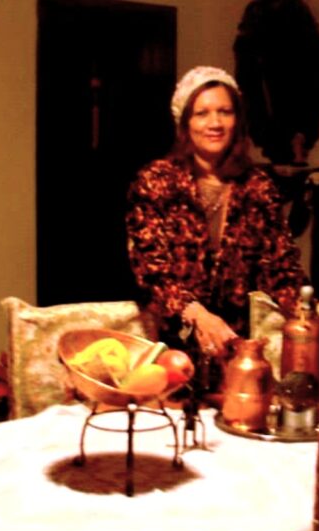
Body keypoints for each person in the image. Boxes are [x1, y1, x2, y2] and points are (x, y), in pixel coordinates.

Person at [126, 65, 306, 361]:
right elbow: (150, 271)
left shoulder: (257, 186)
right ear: (185, 123)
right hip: (169, 345)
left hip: (236, 347)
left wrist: (307, 319)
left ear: (238, 120)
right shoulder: (156, 182)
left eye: (225, 112)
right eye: (202, 113)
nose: (215, 123)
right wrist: (197, 315)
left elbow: (281, 269)